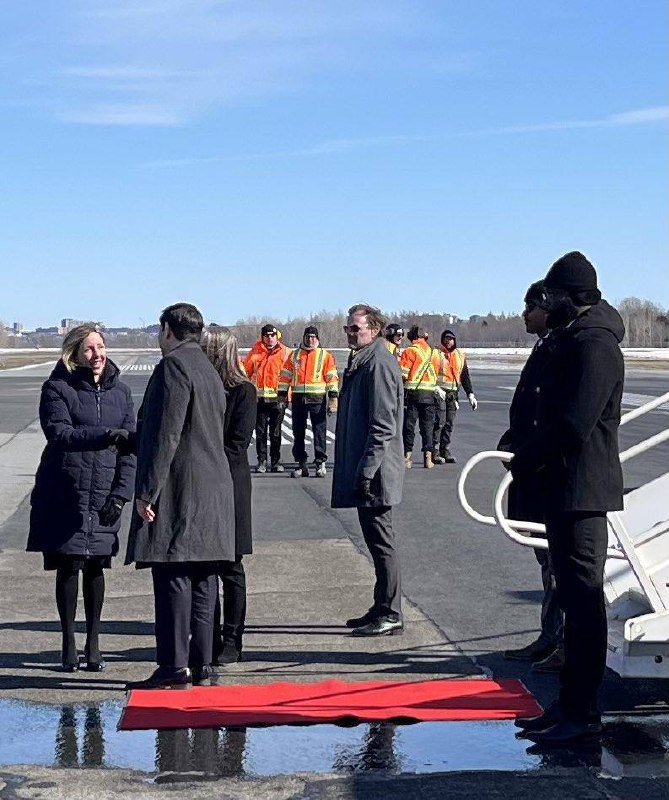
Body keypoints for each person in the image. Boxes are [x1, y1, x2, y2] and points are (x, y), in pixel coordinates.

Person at [511, 252, 625, 745]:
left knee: (584, 603)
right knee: (572, 602)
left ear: (571, 298)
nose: (545, 303)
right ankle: (569, 703)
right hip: (563, 486)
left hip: (582, 490)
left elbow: (576, 423)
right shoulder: (572, 339)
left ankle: (584, 711)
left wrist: (529, 454)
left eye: (552, 296)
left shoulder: (595, 344)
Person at [124, 303, 236, 689]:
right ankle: (202, 665)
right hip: (214, 486)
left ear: (168, 330)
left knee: (173, 574)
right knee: (205, 578)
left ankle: (173, 667)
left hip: (181, 487)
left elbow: (165, 434)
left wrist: (147, 492)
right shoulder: (208, 368)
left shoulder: (173, 366)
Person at [27, 324, 136, 671]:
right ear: (74, 353)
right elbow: (60, 433)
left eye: (101, 347)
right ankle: (68, 640)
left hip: (104, 490)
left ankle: (94, 640)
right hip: (66, 490)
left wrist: (121, 495)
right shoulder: (57, 388)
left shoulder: (122, 392)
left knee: (96, 565)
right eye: (89, 349)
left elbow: (130, 451)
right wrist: (105, 435)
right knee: (70, 563)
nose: (97, 354)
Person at [499, 281, 564, 672]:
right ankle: (550, 635)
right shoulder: (544, 346)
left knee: (556, 559)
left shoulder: (558, 347)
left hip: (544, 471)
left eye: (530, 307)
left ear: (547, 308)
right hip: (528, 465)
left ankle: (558, 639)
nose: (525, 314)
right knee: (545, 558)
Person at [332, 303, 405, 636]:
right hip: (367, 467)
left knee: (382, 543)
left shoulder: (378, 363)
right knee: (376, 543)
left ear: (374, 329)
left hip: (375, 472)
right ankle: (381, 606)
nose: (350, 332)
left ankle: (390, 612)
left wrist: (365, 471)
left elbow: (383, 426)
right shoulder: (363, 360)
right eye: (348, 328)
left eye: (355, 328)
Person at [201, 327, 256, 666]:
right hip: (202, 482)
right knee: (206, 566)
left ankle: (233, 639)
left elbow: (237, 443)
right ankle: (210, 637)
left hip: (230, 482)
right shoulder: (203, 387)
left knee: (231, 566)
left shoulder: (243, 391)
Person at [278, 325, 339, 478]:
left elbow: (331, 376)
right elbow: (285, 375)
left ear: (317, 339)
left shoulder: (325, 356)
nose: (310, 340)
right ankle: (301, 463)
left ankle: (320, 462)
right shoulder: (294, 355)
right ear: (304, 338)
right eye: (308, 337)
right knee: (298, 432)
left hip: (317, 399)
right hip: (299, 398)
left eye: (313, 337)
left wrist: (333, 397)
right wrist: (282, 394)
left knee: (319, 431)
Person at [243, 323, 291, 473]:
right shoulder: (255, 352)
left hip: (278, 399)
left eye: (272, 335)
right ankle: (262, 461)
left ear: (277, 336)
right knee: (261, 432)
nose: (270, 338)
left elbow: (291, 376)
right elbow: (246, 372)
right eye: (267, 336)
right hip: (260, 399)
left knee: (276, 432)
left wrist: (286, 397)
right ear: (262, 337)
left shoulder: (285, 352)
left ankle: (276, 461)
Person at [399, 326, 444, 469]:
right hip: (430, 395)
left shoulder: (410, 351)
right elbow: (440, 372)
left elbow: (403, 374)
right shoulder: (434, 353)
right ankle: (428, 459)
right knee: (427, 428)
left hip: (413, 394)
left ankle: (407, 457)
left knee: (409, 427)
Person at [432, 329, 477, 464]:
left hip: (452, 394)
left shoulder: (460, 355)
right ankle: (434, 451)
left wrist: (470, 394)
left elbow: (464, 376)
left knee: (449, 423)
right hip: (439, 392)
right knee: (439, 422)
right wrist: (434, 387)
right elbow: (430, 372)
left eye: (451, 339)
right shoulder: (436, 354)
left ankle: (445, 449)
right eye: (446, 338)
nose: (448, 341)